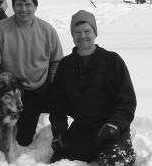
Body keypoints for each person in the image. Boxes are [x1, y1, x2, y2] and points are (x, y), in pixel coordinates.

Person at [0, 0, 64, 146]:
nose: (23, 9)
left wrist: (53, 82)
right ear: (13, 5)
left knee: (22, 140)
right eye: (19, 4)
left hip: (37, 90)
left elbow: (57, 61)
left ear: (35, 6)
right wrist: (1, 83)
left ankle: (61, 134)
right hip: (7, 91)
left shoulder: (47, 31)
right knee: (6, 137)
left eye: (28, 4)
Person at [49, 10, 137, 166]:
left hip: (111, 130)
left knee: (111, 159)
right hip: (82, 130)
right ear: (72, 35)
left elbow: (127, 102)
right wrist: (59, 133)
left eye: (87, 31)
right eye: (77, 32)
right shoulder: (65, 65)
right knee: (59, 161)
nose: (82, 36)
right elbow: (57, 106)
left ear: (95, 32)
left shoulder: (113, 61)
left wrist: (115, 124)